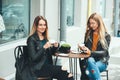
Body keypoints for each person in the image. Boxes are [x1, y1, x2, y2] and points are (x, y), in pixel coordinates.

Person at [27, 15, 74, 80]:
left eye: (44, 25)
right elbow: (33, 58)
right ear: (36, 26)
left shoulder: (45, 38)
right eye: (40, 25)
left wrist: (55, 47)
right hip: (38, 68)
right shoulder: (31, 39)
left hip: (48, 66)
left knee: (68, 75)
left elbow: (51, 53)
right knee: (63, 70)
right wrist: (44, 47)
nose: (43, 27)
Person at [78, 13, 111, 80]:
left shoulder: (106, 36)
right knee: (90, 62)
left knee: (88, 71)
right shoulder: (88, 34)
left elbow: (104, 52)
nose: (91, 25)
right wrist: (83, 48)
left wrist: (90, 53)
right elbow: (86, 47)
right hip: (89, 60)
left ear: (99, 23)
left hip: (101, 61)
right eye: (90, 23)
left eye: (93, 23)